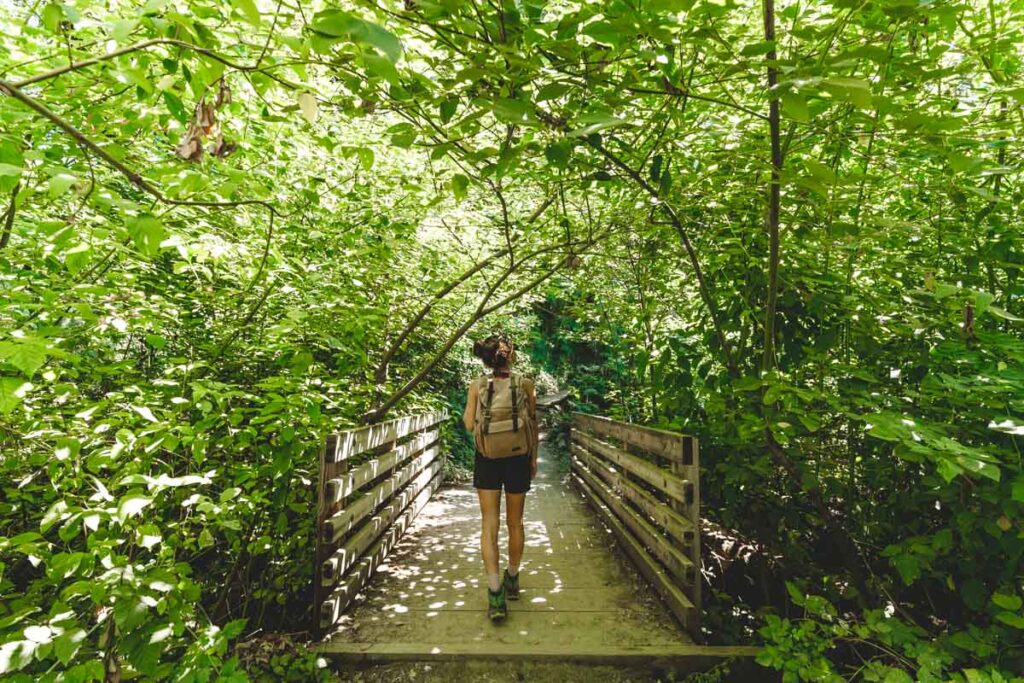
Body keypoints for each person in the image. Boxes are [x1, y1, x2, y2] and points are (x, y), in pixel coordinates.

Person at [462, 334, 538, 622]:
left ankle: (495, 595)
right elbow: (533, 425)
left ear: (485, 358)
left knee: (489, 523)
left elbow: (470, 424)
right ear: (511, 356)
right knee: (515, 523)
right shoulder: (525, 385)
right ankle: (513, 578)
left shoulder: (477, 385)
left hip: (487, 459)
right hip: (518, 458)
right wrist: (532, 460)